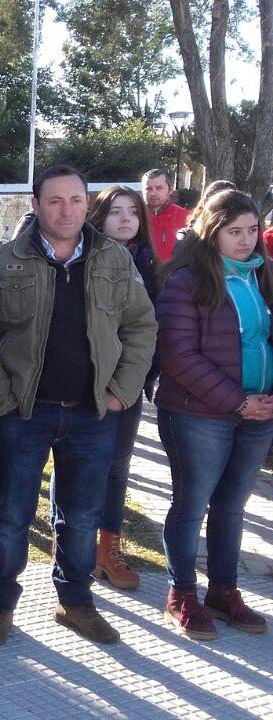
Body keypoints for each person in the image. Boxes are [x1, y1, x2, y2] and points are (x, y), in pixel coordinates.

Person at [0, 165, 156, 647]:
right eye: (55, 200)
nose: (66, 210)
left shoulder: (114, 259)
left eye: (76, 200)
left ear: (86, 203)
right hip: (25, 413)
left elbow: (141, 326)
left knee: (82, 517)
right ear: (36, 205)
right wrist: (1, 397)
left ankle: (75, 602)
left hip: (93, 414)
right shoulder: (3, 261)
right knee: (11, 516)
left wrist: (120, 391)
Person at [155, 189, 273, 641]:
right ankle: (181, 594)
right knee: (192, 505)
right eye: (234, 231)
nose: (246, 240)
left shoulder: (263, 276)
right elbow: (179, 356)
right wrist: (238, 401)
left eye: (251, 230)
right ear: (211, 231)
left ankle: (223, 591)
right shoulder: (186, 281)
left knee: (232, 507)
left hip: (258, 415)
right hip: (199, 415)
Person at [85, 186, 158, 592]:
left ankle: (106, 549)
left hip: (127, 387)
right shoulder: (83, 258)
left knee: (117, 468)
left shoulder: (149, 264)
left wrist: (138, 381)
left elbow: (153, 329)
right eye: (116, 211)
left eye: (133, 211)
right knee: (77, 466)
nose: (126, 218)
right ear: (99, 217)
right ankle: (70, 544)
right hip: (84, 385)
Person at [143, 168, 190, 263]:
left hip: (173, 271)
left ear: (170, 189)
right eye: (148, 188)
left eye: (159, 188)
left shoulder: (186, 218)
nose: (153, 193)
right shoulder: (135, 217)